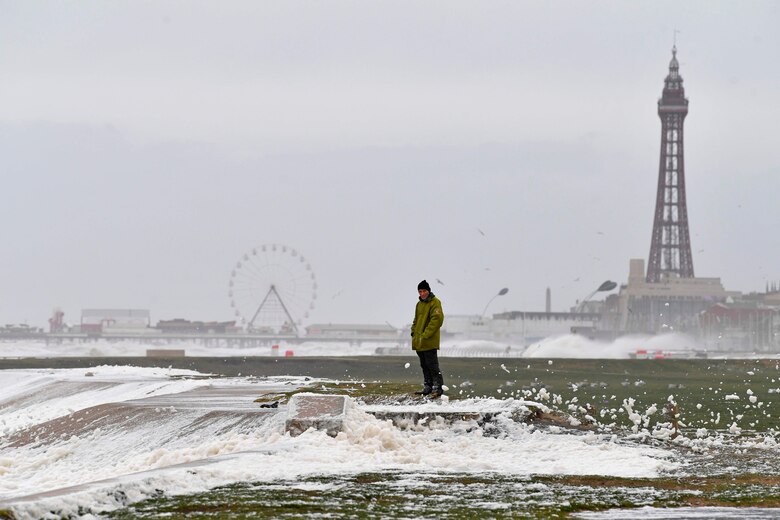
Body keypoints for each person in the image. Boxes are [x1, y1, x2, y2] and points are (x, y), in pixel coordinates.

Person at [411, 279, 445, 397]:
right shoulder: (419, 304)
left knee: (432, 364)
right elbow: (415, 320)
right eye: (420, 291)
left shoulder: (435, 302)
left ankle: (438, 387)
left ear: (428, 291)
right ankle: (428, 386)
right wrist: (413, 332)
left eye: (424, 291)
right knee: (424, 364)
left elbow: (437, 320)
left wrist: (425, 335)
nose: (422, 293)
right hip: (419, 341)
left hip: (429, 340)